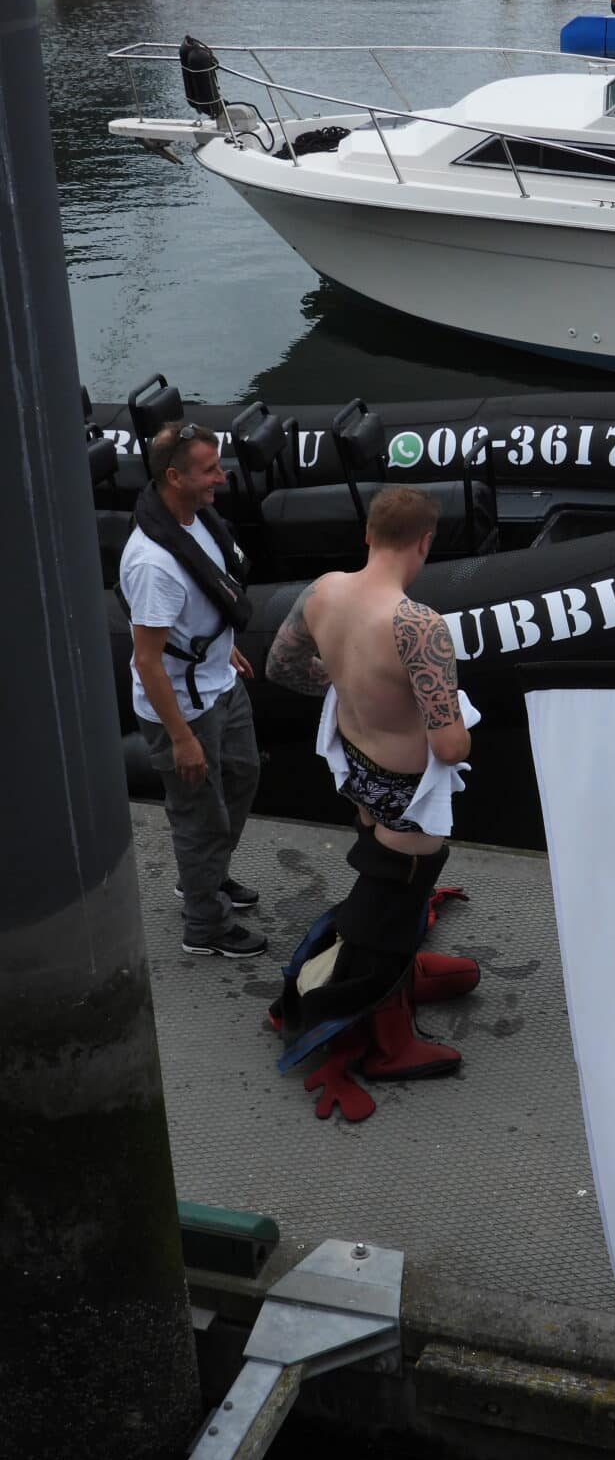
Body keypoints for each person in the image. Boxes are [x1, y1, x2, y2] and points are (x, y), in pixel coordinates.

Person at [265, 486, 472, 1083]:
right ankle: (386, 1039)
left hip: (356, 768)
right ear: (425, 542)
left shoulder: (322, 591)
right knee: (396, 903)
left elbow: (281, 666)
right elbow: (449, 746)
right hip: (406, 789)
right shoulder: (419, 625)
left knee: (383, 879)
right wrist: (459, 721)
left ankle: (395, 979)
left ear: (368, 535)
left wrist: (348, 683)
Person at [119, 422, 265, 957]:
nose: (221, 478)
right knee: (200, 817)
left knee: (243, 776)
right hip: (184, 707)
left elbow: (206, 598)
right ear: (175, 477)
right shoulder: (153, 565)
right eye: (209, 470)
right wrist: (181, 738)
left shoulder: (195, 518)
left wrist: (224, 645)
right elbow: (148, 660)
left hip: (220, 680)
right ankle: (205, 926)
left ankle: (206, 877)